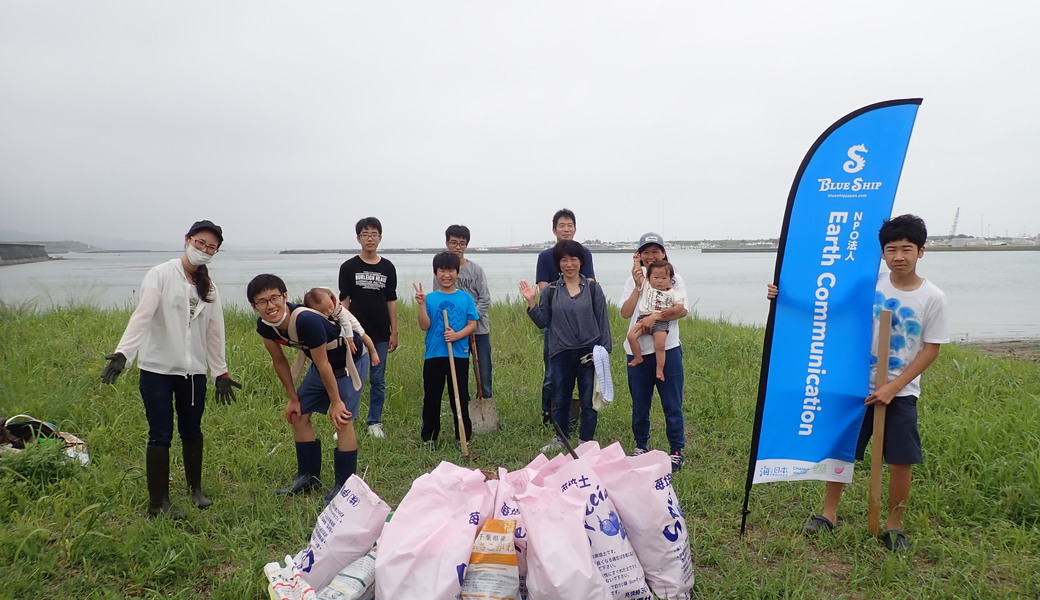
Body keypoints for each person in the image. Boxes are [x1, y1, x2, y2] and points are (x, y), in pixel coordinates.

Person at [767, 214, 949, 551]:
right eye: (891, 249)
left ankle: (893, 526)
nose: (898, 256)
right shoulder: (869, 285)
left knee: (900, 460)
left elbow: (930, 349)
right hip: (853, 387)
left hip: (900, 392)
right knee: (841, 452)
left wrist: (893, 388)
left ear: (921, 251)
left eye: (906, 249)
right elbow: (827, 308)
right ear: (882, 253)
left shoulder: (932, 297)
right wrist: (785, 296)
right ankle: (828, 514)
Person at [100, 220, 241, 519]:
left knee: (193, 430)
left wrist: (221, 373)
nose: (204, 250)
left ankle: (196, 490)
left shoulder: (210, 287)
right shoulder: (161, 274)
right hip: (158, 370)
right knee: (160, 433)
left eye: (211, 248)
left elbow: (215, 332)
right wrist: (124, 353)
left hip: (193, 372)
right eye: (200, 243)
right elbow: (143, 314)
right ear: (187, 240)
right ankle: (158, 503)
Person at [249, 274, 360, 504]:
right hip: (323, 366)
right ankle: (308, 477)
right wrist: (293, 398)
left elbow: (323, 363)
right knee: (298, 415)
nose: (270, 306)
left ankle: (344, 486)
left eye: (275, 298)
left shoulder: (305, 320)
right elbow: (279, 361)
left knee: (342, 419)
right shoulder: (265, 326)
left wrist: (336, 402)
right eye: (262, 301)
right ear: (254, 306)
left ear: (285, 297)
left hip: (348, 360)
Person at [521, 240, 611, 452]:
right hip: (561, 353)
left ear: (581, 262)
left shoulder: (592, 288)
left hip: (589, 354)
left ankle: (585, 441)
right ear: (558, 264)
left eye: (573, 259)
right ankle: (561, 439)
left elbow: (603, 320)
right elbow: (543, 321)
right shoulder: (551, 290)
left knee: (589, 400)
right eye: (564, 260)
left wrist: (604, 351)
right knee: (561, 399)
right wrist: (532, 302)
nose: (569, 264)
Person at [619, 233, 689, 472]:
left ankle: (676, 450)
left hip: (667, 350)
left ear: (663, 254)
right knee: (640, 404)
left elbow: (682, 311)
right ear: (638, 256)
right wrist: (638, 286)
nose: (651, 256)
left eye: (655, 251)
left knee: (672, 404)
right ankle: (641, 446)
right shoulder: (633, 280)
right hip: (637, 351)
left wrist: (655, 317)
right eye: (646, 252)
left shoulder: (673, 278)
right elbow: (626, 313)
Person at [338, 217, 399, 439]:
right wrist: (342, 330)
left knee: (378, 379)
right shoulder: (348, 267)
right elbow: (343, 302)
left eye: (374, 234)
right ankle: (347, 420)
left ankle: (375, 421)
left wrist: (395, 331)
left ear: (380, 238)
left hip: (381, 332)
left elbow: (391, 301)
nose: (370, 238)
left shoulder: (388, 267)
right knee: (352, 377)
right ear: (358, 238)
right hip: (355, 332)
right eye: (365, 234)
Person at [534, 209, 596, 426]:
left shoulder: (584, 253)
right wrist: (560, 301)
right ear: (554, 229)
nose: (566, 229)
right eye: (562, 225)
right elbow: (543, 287)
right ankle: (548, 412)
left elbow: (589, 284)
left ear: (575, 229)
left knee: (583, 373)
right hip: (555, 321)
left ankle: (574, 413)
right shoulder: (545, 257)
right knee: (552, 371)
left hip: (582, 326)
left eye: (570, 225)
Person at [414, 252, 479, 449]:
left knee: (459, 395)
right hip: (434, 355)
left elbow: (473, 324)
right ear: (436, 273)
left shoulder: (465, 298)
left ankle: (462, 435)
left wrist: (457, 335)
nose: (446, 275)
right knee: (432, 396)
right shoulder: (430, 298)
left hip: (458, 354)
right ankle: (430, 437)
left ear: (457, 273)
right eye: (442, 271)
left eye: (451, 270)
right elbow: (424, 326)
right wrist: (422, 305)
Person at [290, 287, 380, 398]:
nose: (329, 311)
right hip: (337, 329)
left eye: (329, 307)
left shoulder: (338, 309)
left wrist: (350, 340)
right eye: (323, 311)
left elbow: (346, 324)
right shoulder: (313, 316)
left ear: (331, 299)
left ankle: (373, 352)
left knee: (363, 336)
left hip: (349, 324)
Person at [439, 225, 493, 407]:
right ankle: (463, 409)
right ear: (447, 243)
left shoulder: (476, 270)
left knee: (483, 372)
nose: (457, 247)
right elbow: (438, 299)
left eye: (461, 243)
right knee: (459, 373)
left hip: (479, 330)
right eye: (453, 242)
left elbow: (485, 299)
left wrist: (471, 320)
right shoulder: (442, 272)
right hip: (454, 332)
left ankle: (485, 403)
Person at [625, 260, 684, 381]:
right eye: (656, 277)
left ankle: (659, 369)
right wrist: (636, 262)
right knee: (631, 336)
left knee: (660, 345)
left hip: (661, 322)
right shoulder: (647, 286)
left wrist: (671, 310)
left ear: (670, 279)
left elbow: (680, 306)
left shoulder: (672, 293)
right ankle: (638, 357)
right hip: (643, 318)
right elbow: (638, 275)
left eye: (664, 278)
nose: (659, 280)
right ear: (649, 278)